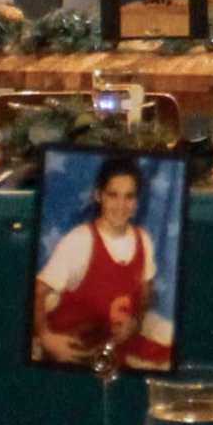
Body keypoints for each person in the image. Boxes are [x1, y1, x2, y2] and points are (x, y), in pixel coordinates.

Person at [34, 157, 171, 367]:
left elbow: (146, 290)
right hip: (74, 353)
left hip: (111, 350)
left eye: (129, 197)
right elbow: (38, 291)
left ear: (136, 202)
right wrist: (46, 337)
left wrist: (135, 322)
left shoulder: (143, 239)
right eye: (113, 195)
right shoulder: (80, 240)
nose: (121, 205)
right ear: (99, 196)